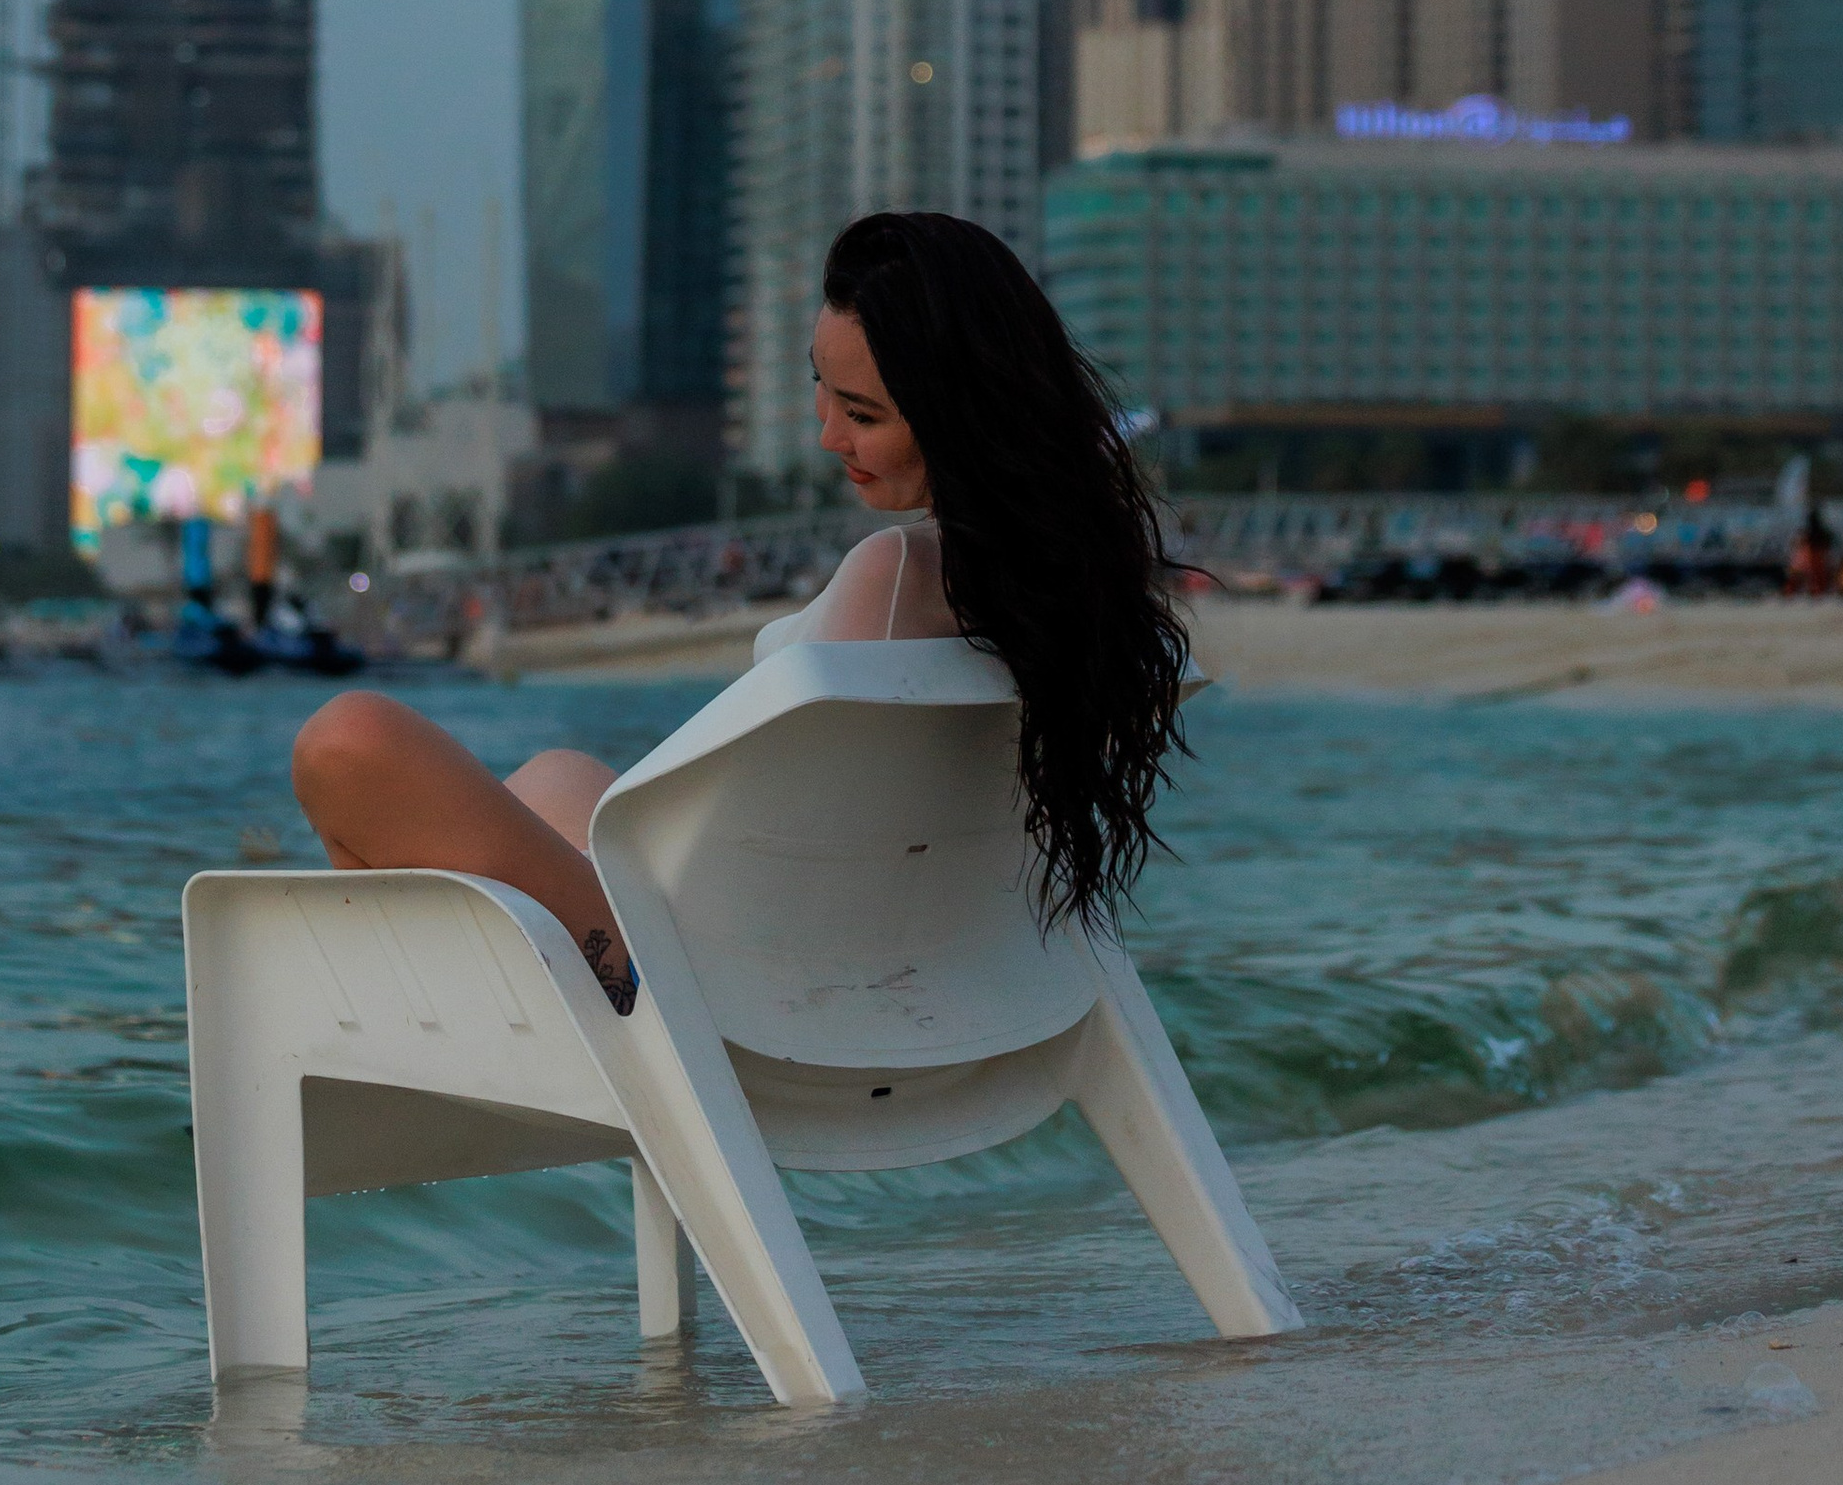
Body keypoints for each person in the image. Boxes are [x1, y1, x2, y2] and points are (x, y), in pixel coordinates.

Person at [288, 208, 1190, 1012]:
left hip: (710, 983)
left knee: (348, 742)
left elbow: (783, 851)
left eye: (863, 414)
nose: (828, 434)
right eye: (821, 390)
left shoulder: (898, 576)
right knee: (559, 774)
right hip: (834, 956)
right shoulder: (1065, 594)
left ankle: (400, 1031)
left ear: (962, 413)